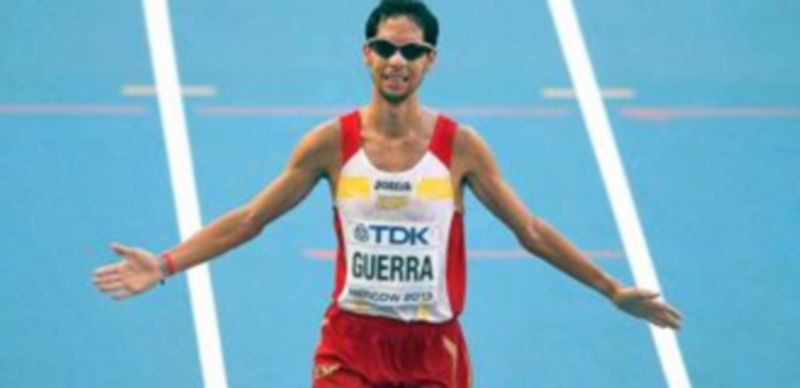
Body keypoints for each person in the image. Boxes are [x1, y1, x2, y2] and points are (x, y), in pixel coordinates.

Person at [93, 0, 683, 386]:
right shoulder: (332, 144)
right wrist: (165, 264)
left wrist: (610, 289)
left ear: (430, 61)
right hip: (351, 342)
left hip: (432, 349)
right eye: (385, 48)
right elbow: (251, 218)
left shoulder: (459, 147)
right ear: (367, 54)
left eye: (411, 51)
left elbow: (529, 231)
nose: (397, 61)